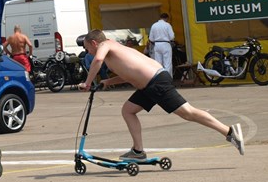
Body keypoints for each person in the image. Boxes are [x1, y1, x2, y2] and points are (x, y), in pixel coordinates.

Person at [78, 29, 245, 159]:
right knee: (128, 110)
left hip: (155, 82)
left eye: (87, 48)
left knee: (187, 113)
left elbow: (97, 61)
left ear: (94, 42)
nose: (88, 52)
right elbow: (127, 75)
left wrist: (87, 82)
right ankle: (138, 151)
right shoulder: (115, 48)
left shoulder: (104, 46)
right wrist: (107, 82)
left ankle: (229, 132)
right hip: (150, 83)